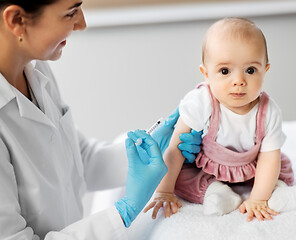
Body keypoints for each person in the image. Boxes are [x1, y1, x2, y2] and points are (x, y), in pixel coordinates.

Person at [0, 0, 203, 239]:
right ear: (17, 20)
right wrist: (124, 212)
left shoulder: (35, 68)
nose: (82, 23)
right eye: (70, 13)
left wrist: (159, 148)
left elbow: (77, 159)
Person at [143, 17, 296, 222]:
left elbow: (268, 159)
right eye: (225, 71)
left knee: (277, 168)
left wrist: (258, 198)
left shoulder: (269, 111)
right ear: (206, 74)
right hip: (208, 167)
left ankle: (278, 193)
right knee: (181, 174)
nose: (239, 81)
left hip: (253, 167)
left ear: (265, 70)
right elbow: (176, 148)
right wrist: (164, 190)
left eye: (250, 70)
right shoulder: (201, 101)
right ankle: (216, 193)